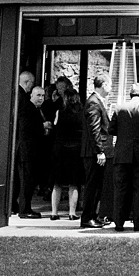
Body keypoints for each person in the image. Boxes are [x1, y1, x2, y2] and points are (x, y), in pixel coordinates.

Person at [109, 83, 139, 231]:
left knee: (120, 189)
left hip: (122, 154)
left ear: (130, 94)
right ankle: (138, 223)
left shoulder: (119, 108)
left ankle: (118, 222)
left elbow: (111, 129)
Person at [48, 77, 84, 223]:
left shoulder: (59, 112)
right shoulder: (81, 114)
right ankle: (71, 212)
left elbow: (55, 126)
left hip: (59, 149)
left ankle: (54, 212)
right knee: (73, 183)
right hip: (75, 150)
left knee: (57, 183)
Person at [79, 81, 110, 227]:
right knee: (92, 186)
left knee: (97, 186)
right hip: (93, 152)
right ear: (103, 85)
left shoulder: (97, 101)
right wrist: (100, 151)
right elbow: (94, 129)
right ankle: (87, 217)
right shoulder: (94, 102)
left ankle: (93, 215)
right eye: (109, 84)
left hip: (94, 151)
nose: (111, 88)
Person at [11, 69, 42, 217]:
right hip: (26, 147)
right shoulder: (24, 100)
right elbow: (25, 125)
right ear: (28, 82)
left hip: (19, 145)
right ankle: (25, 209)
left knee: (18, 179)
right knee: (26, 180)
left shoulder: (15, 95)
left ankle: (14, 205)